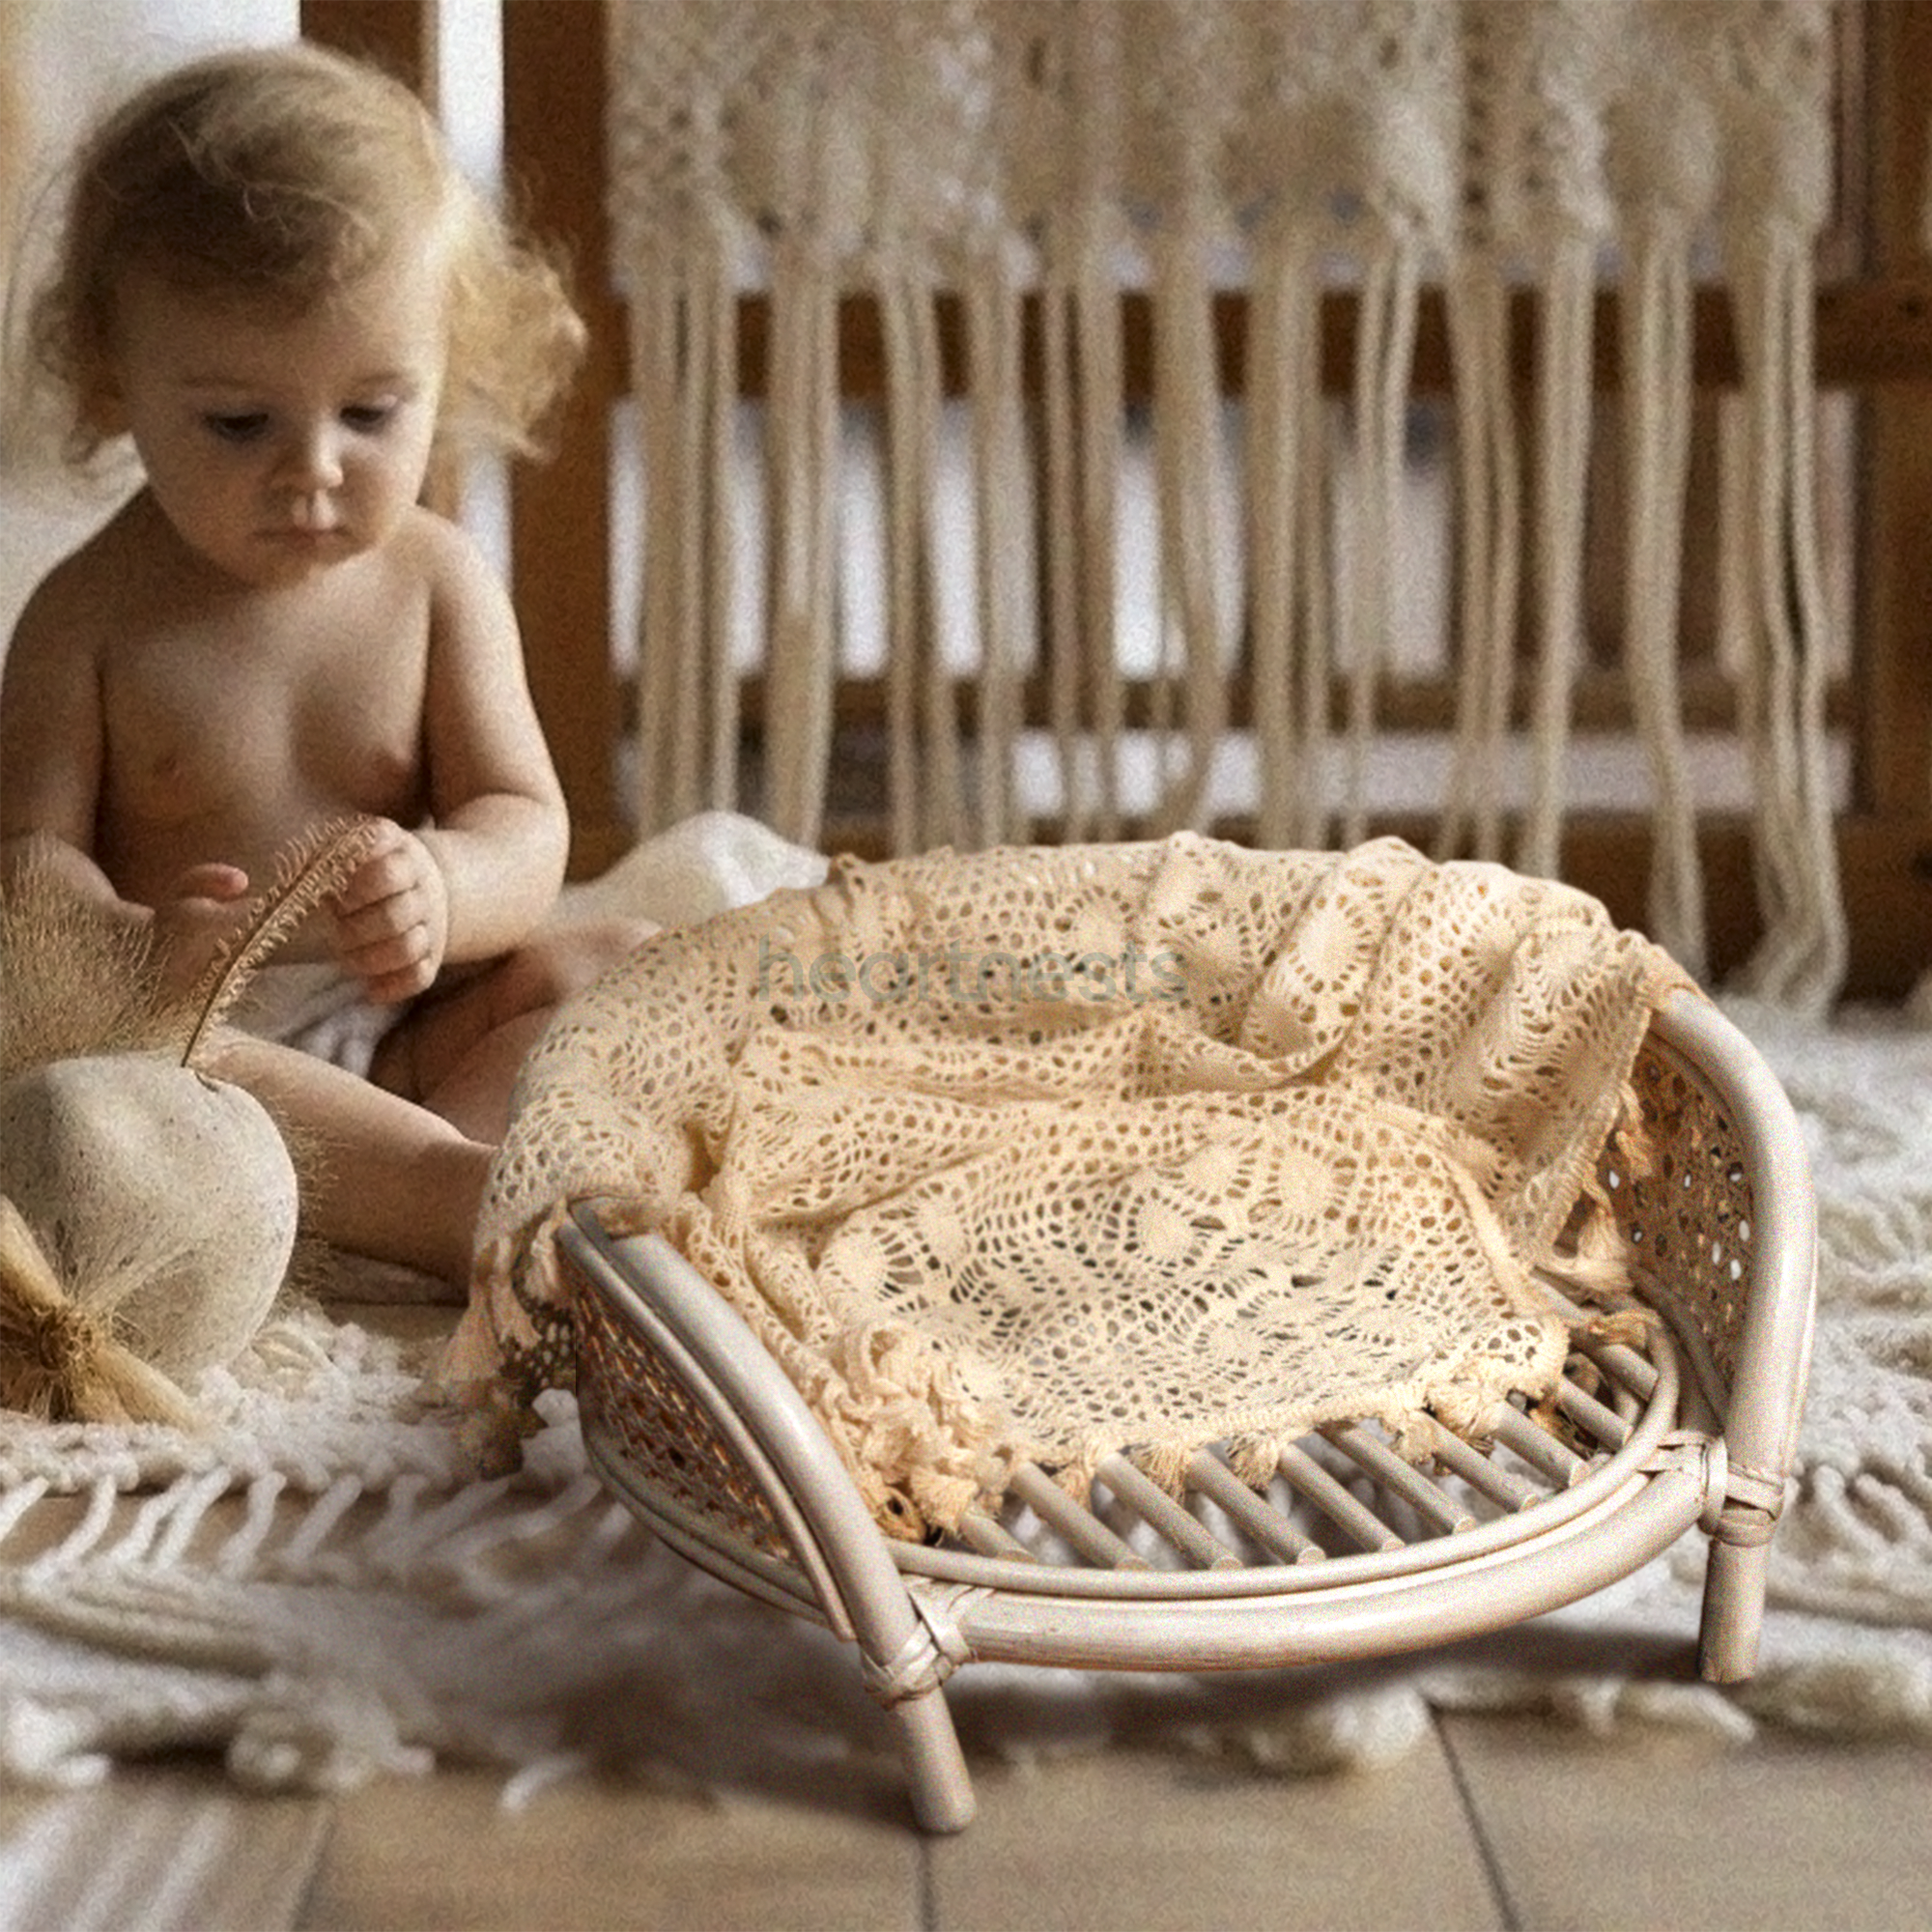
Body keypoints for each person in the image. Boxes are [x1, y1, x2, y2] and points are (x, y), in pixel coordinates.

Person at [0, 42, 651, 1294]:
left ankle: (424, 1173)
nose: (314, 470)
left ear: (442, 371)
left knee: (618, 960)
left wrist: (446, 890)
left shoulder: (436, 582)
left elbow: (526, 824)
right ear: (110, 378)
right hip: (191, 1061)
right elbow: (28, 876)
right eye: (239, 423)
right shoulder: (86, 619)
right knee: (112, 1098)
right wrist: (135, 949)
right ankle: (451, 1204)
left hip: (405, 1036)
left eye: (371, 413)